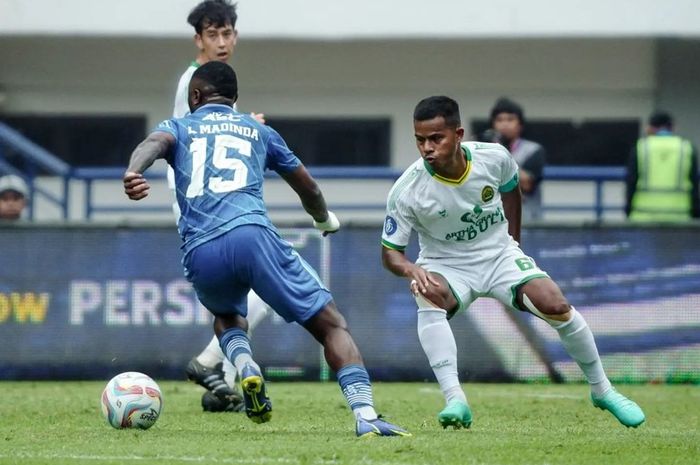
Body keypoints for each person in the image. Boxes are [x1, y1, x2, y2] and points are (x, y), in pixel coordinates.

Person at [123, 61, 410, 437]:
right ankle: (366, 415)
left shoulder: (178, 126)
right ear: (235, 99)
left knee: (227, 315)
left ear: (195, 96)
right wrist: (323, 219)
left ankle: (244, 365)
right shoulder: (257, 129)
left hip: (199, 248)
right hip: (251, 234)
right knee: (331, 325)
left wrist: (134, 171)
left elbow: (153, 144)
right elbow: (307, 187)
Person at [381, 95, 645, 430]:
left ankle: (603, 390)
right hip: (447, 266)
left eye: (436, 138)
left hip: (499, 256)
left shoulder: (494, 158)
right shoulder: (407, 189)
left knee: (556, 304)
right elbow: (390, 252)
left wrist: (514, 244)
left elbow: (511, 190)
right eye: (420, 140)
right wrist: (412, 269)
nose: (427, 148)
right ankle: (455, 399)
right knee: (427, 292)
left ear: (458, 134)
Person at [172, 0, 269, 413]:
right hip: (204, 211)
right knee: (259, 292)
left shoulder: (215, 82)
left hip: (220, 207)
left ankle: (225, 387)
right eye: (213, 34)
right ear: (198, 39)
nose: (222, 41)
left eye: (227, 32)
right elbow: (192, 140)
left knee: (238, 300)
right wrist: (250, 126)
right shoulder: (193, 81)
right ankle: (211, 362)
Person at [625, 111, 699, 221]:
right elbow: (694, 184)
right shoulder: (686, 148)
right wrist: (695, 212)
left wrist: (628, 210)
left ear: (649, 128)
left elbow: (632, 181)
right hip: (679, 216)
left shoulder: (641, 147)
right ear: (672, 127)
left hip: (643, 215)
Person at [487, 97, 546, 222]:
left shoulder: (534, 150)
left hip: (526, 223)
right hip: (493, 223)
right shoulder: (484, 150)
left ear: (520, 125)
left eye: (510, 119)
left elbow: (526, 183)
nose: (504, 124)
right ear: (493, 124)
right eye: (499, 120)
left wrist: (500, 154)